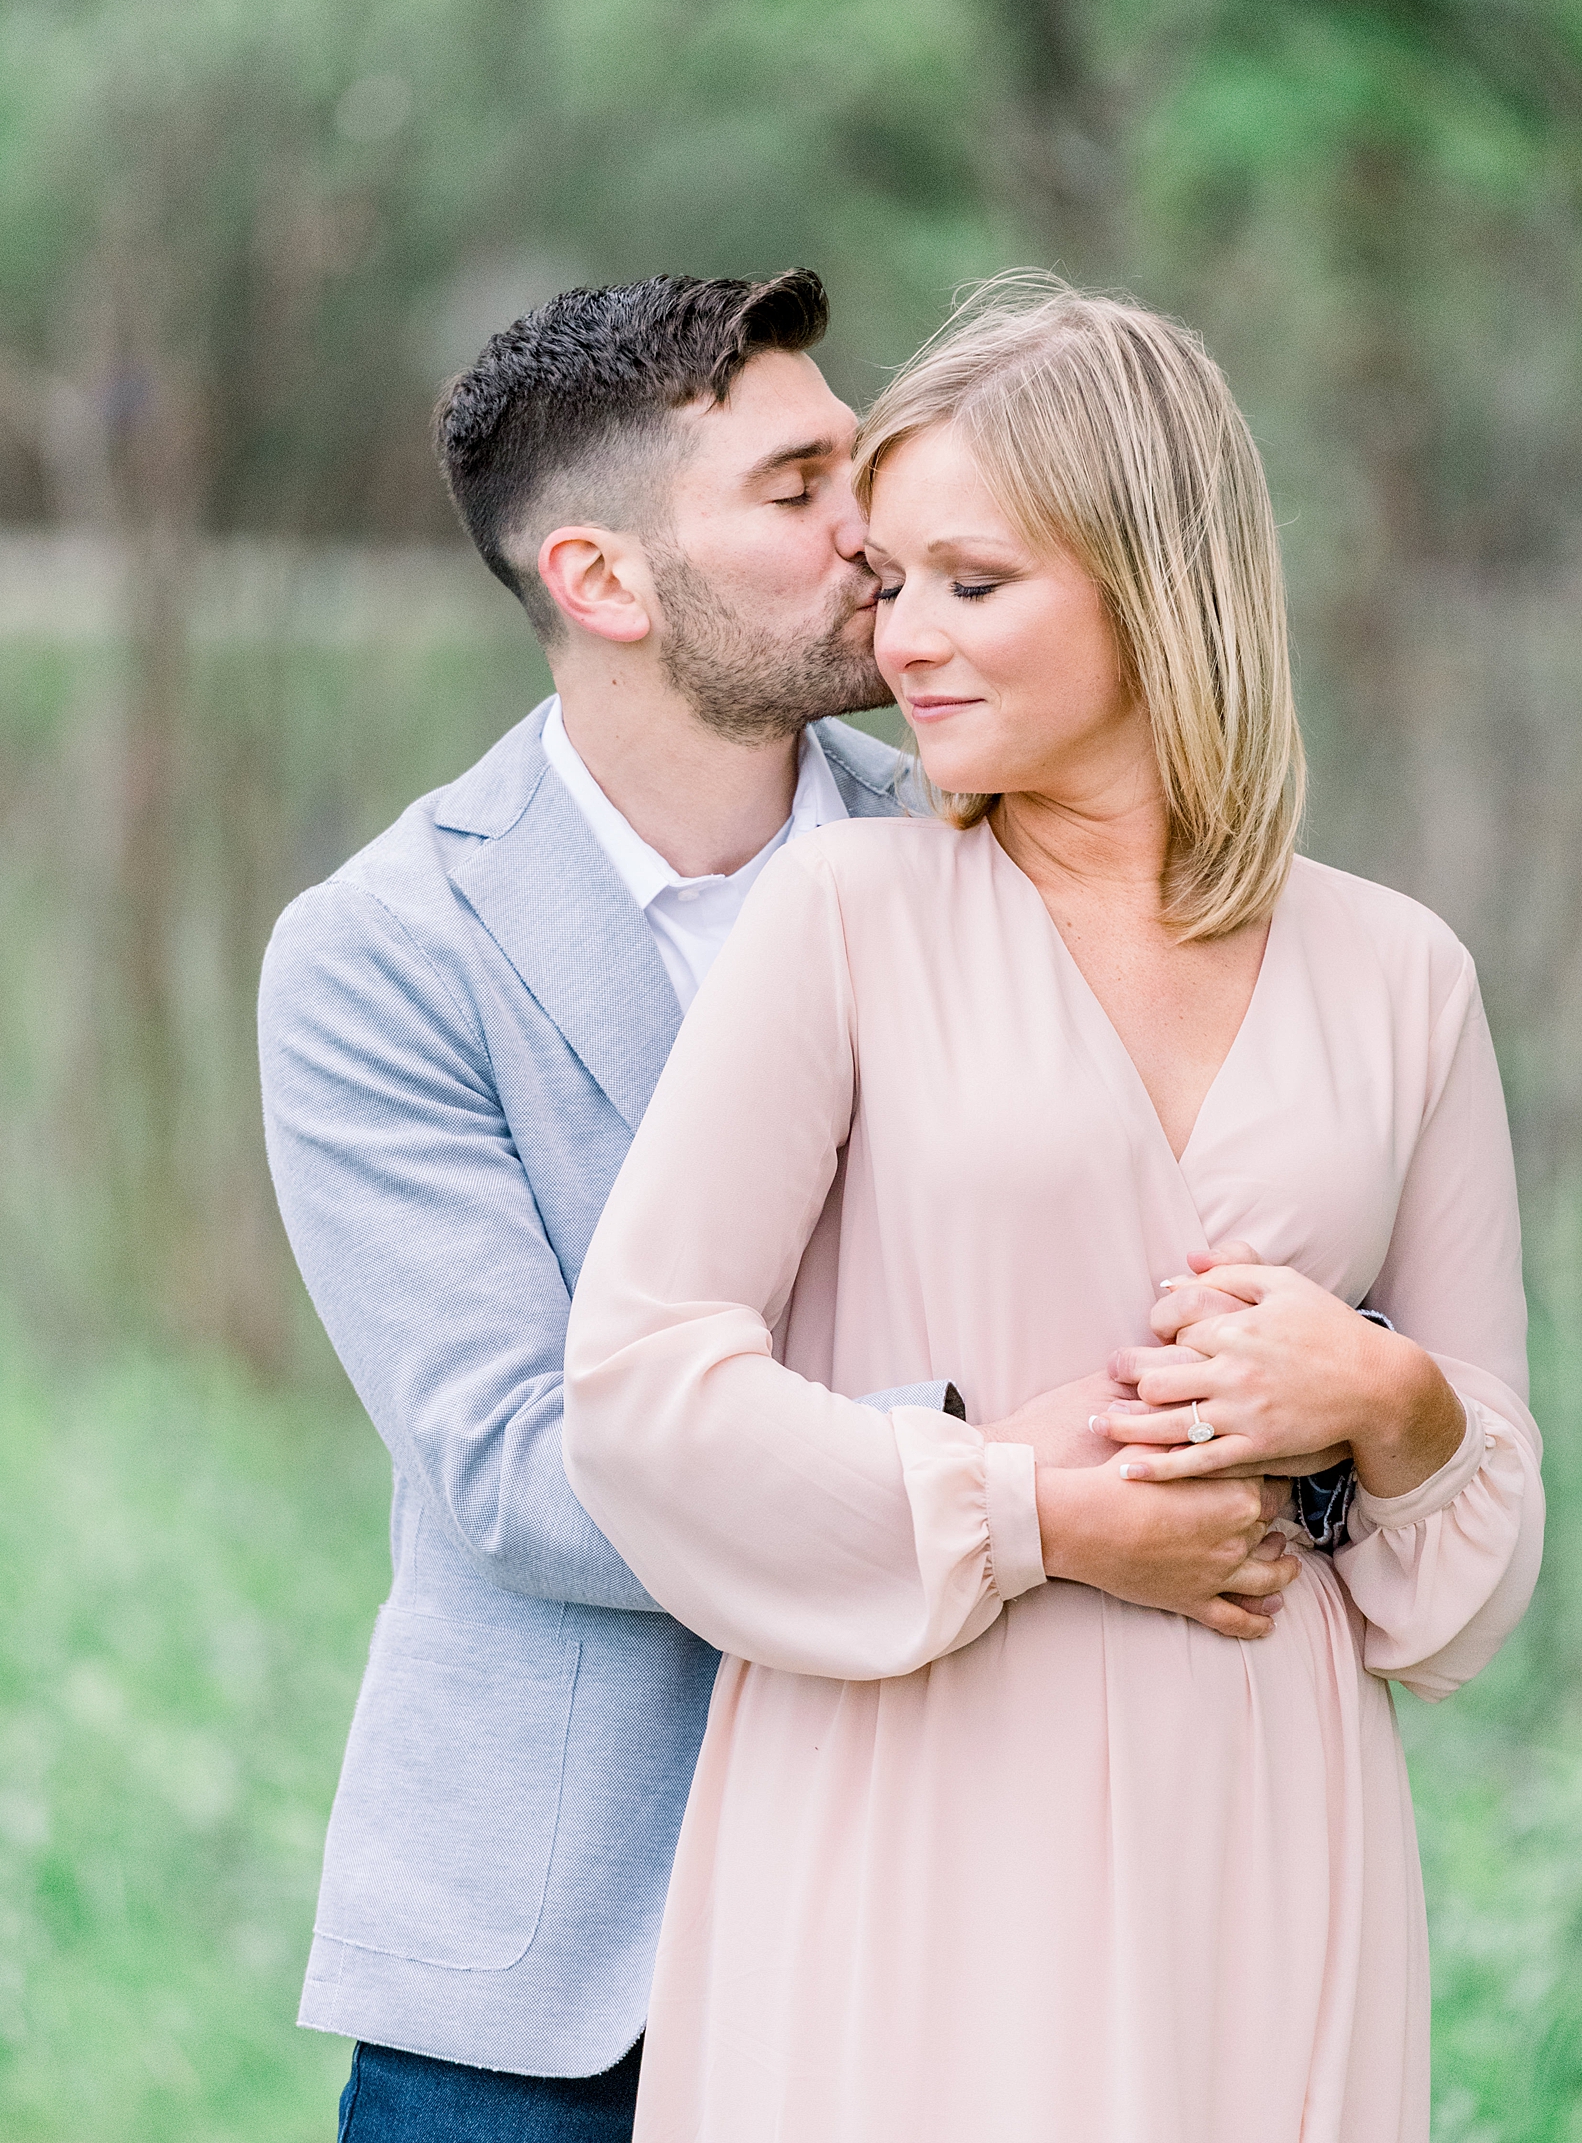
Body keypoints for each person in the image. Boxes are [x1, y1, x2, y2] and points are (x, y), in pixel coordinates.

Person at [257, 270, 1294, 2142]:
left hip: (947, 1891)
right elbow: (513, 1466)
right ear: (604, 581)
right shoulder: (379, 955)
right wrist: (1013, 1490)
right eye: (802, 486)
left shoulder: (986, 847)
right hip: (564, 1964)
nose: (875, 532)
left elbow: (1218, 1243)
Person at [562, 277, 1546, 2143]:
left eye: (971, 583)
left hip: (1266, 1838)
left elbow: (1465, 1587)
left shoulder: (1400, 973)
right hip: (915, 1816)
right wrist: (1024, 1514)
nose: (903, 641)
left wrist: (1388, 1402)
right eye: (889, 581)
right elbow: (636, 1386)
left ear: (1152, 584)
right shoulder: (845, 922)